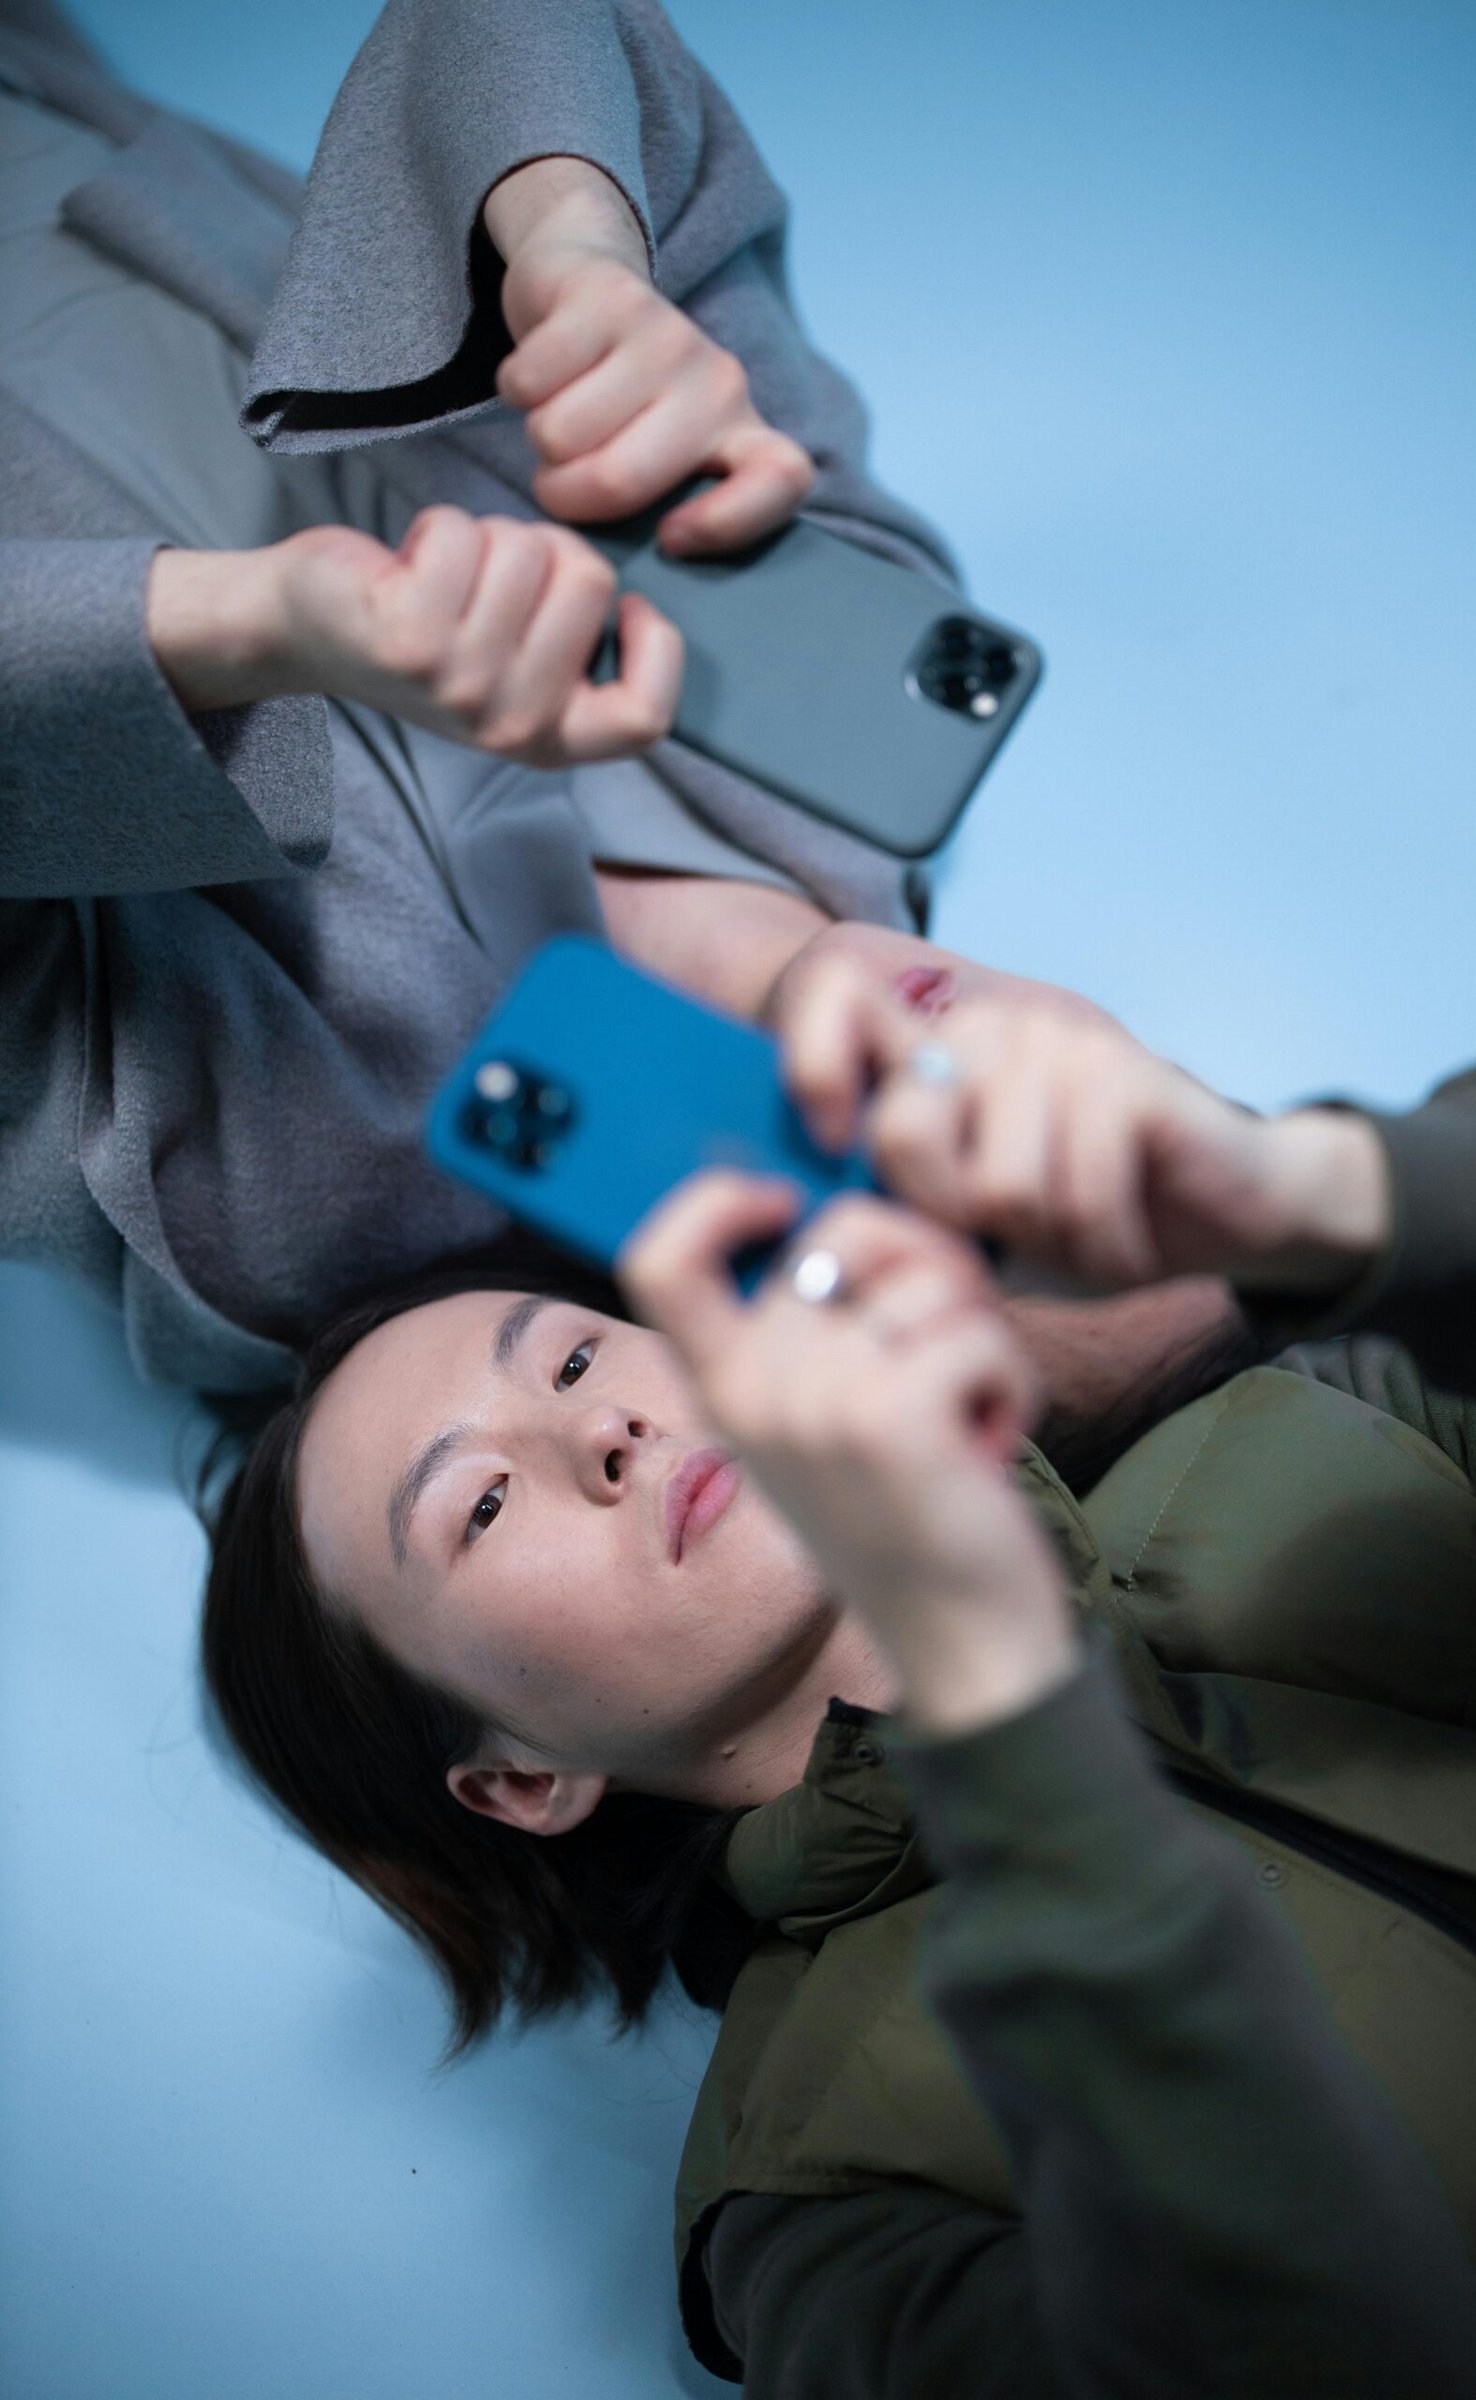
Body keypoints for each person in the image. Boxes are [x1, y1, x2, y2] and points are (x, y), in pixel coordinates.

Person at [201, 975, 1476, 2395]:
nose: (600, 1429)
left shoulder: (1306, 1425)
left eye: (570, 1355)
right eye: (482, 1508)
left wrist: (1307, 1199)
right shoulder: (821, 2214)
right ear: (520, 1778)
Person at [0, 0, 956, 1391]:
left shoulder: (279, 1218)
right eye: (1146, 1136)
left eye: (998, 1250)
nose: (996, 1127)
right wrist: (581, 245)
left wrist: (257, 623)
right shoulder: (888, 692)